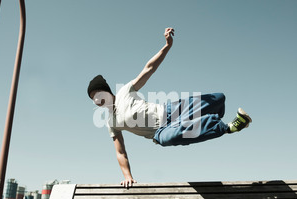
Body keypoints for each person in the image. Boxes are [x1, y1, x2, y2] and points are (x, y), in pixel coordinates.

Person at [87, 28, 252, 187]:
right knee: (174, 137)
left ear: (107, 91)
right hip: (160, 132)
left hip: (168, 110)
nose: (96, 99)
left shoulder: (125, 90)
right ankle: (229, 127)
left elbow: (149, 69)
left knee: (218, 98)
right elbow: (120, 152)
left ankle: (215, 114)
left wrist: (167, 46)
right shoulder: (111, 122)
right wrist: (127, 177)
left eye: (97, 93)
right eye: (92, 98)